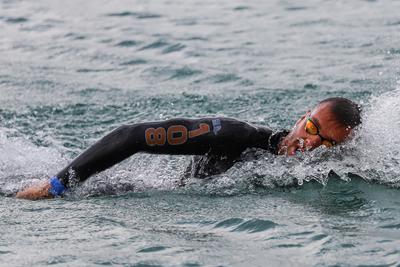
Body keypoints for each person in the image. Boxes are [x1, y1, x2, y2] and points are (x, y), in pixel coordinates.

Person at [16, 97, 361, 200]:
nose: (310, 143)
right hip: (122, 196)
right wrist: (56, 186)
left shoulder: (326, 170)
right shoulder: (235, 135)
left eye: (326, 142)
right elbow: (130, 135)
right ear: (303, 117)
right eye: (312, 128)